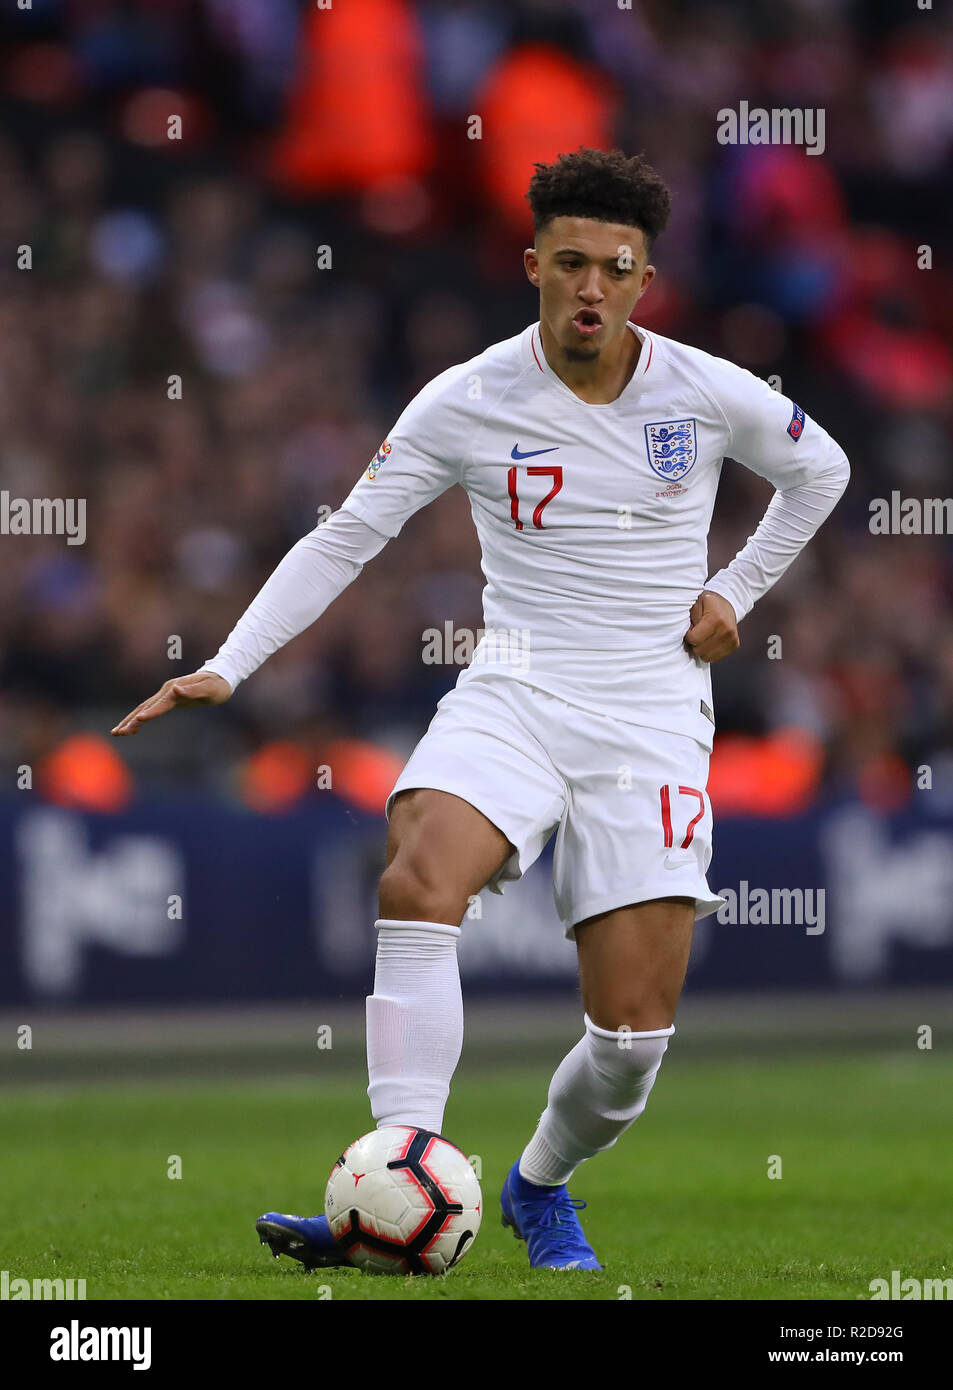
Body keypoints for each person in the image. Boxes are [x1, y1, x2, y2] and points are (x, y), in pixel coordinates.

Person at [112, 147, 850, 1271]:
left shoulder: (702, 390)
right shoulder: (464, 399)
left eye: (615, 267)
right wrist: (229, 663)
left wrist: (731, 588)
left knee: (629, 1047)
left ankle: (537, 1183)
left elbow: (825, 470)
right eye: (569, 264)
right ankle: (392, 1179)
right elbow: (347, 535)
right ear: (532, 266)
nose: (591, 287)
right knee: (415, 875)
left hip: (649, 715)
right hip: (512, 686)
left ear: (643, 280)